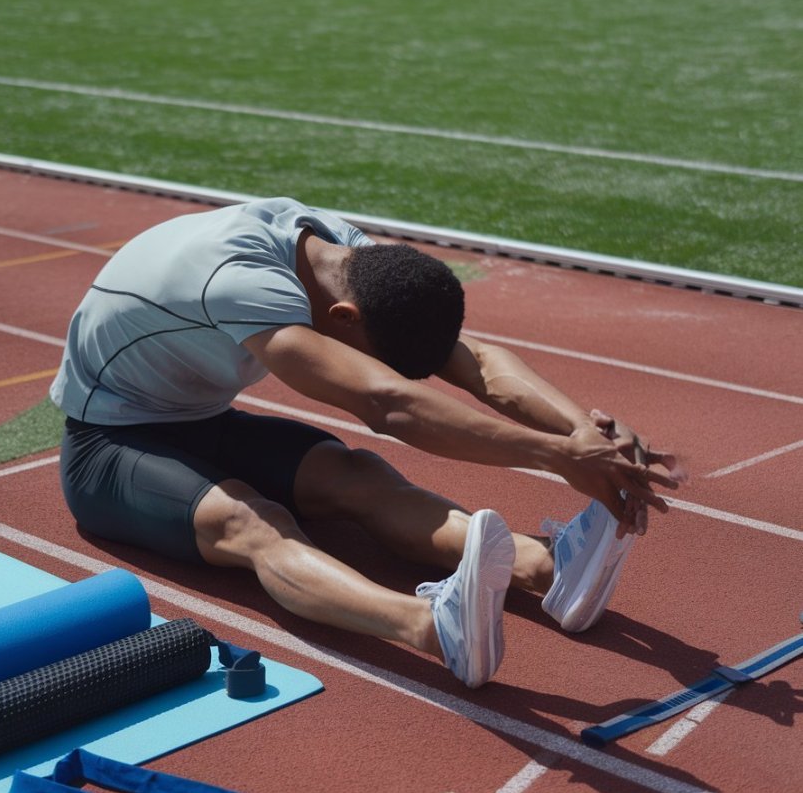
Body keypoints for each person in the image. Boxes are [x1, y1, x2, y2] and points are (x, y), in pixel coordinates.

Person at [50, 197, 682, 689]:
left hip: (198, 416)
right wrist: (554, 456)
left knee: (357, 476)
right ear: (345, 322)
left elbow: (474, 361)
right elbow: (388, 402)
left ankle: (548, 569)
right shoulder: (242, 284)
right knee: (254, 522)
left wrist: (584, 432)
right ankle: (432, 628)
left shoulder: (345, 254)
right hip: (108, 446)